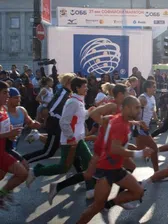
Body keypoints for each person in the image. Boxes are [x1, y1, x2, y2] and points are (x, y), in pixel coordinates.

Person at [77, 96, 154, 224]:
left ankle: (110, 203)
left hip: (116, 168)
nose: (139, 110)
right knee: (96, 207)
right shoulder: (120, 125)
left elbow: (109, 120)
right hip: (106, 170)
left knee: (138, 192)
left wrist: (136, 123)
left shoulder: (120, 118)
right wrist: (140, 153)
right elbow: (115, 149)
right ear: (127, 108)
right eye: (136, 107)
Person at [26, 77, 96, 199]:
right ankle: (36, 171)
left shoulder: (78, 101)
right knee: (64, 167)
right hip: (71, 141)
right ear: (77, 88)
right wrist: (71, 137)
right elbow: (64, 122)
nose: (87, 88)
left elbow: (79, 118)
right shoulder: (72, 102)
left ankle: (90, 189)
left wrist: (88, 112)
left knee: (88, 162)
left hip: (78, 139)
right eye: (84, 86)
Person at [22, 73, 75, 163]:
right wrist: (63, 118)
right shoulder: (63, 92)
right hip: (55, 124)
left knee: (69, 148)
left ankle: (78, 171)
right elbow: (52, 109)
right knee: (48, 152)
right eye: (74, 82)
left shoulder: (67, 93)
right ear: (68, 82)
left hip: (60, 124)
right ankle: (22, 161)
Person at [0, 81, 27, 210]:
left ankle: (2, 195)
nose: (7, 95)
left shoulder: (3, 110)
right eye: (4, 93)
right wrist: (8, 134)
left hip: (3, 152)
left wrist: (10, 135)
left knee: (23, 173)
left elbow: (5, 130)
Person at [5, 87, 41, 171]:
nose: (19, 99)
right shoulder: (3, 112)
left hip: (14, 146)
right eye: (16, 98)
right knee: (22, 170)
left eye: (19, 97)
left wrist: (36, 124)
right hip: (4, 147)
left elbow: (30, 123)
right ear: (8, 99)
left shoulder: (21, 110)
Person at [133, 80, 160, 171]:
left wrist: (157, 121)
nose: (155, 89)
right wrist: (139, 123)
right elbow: (134, 112)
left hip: (145, 127)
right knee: (154, 148)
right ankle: (157, 173)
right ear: (148, 88)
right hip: (140, 128)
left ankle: (121, 151)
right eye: (153, 87)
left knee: (139, 149)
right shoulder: (142, 98)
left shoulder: (152, 98)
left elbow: (153, 111)